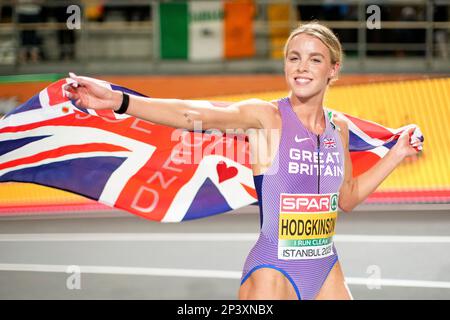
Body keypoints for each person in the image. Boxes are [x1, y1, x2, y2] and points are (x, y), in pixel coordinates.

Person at [64, 22, 422, 300]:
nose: (301, 67)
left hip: (326, 267)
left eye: (315, 59)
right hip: (273, 269)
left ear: (334, 70)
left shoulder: (338, 129)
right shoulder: (267, 118)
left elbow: (347, 198)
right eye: (293, 57)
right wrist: (119, 101)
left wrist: (397, 153)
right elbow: (194, 115)